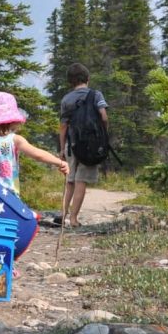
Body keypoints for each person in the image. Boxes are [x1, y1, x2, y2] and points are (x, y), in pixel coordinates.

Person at [0, 91, 69, 195]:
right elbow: (38, 155)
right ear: (12, 120)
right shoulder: (15, 139)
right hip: (8, 195)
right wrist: (60, 162)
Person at [58, 63, 108, 227]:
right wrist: (102, 136)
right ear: (87, 78)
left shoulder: (66, 99)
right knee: (81, 181)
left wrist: (62, 148)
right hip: (91, 145)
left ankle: (63, 214)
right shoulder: (96, 95)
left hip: (72, 144)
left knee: (70, 180)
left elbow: (63, 125)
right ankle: (73, 219)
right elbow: (104, 116)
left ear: (70, 82)